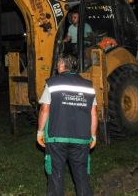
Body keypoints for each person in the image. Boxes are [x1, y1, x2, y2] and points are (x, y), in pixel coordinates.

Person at [37, 52, 98, 196]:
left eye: (58, 63)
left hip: (56, 138)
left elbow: (45, 109)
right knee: (82, 178)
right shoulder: (89, 86)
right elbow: (94, 113)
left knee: (56, 176)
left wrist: (40, 132)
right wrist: (93, 136)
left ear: (62, 64)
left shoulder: (52, 83)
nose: (57, 66)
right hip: (82, 138)